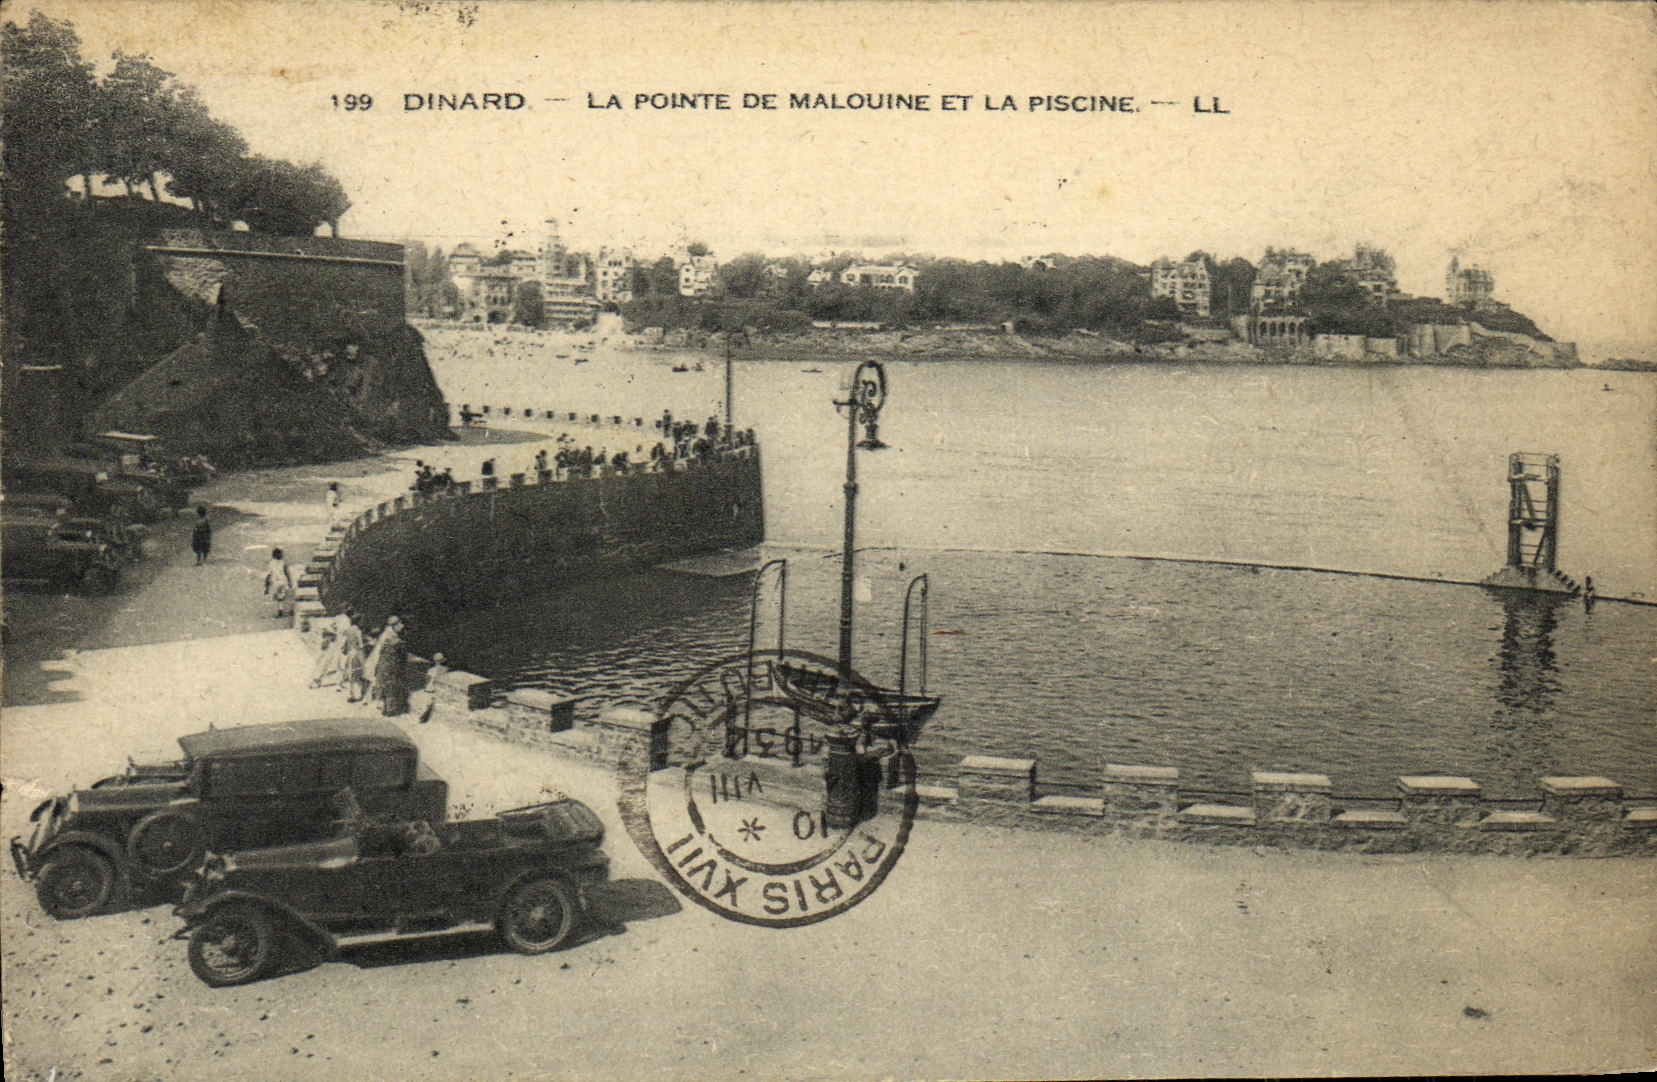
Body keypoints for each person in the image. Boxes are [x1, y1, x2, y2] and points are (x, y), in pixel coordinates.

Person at [369, 615, 410, 716]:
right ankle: (389, 708)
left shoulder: (388, 633)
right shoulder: (392, 637)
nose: (402, 626)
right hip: (387, 663)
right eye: (400, 624)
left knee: (385, 684)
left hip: (383, 662)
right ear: (394, 625)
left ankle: (384, 705)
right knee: (390, 685)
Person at [409, 652, 449, 723]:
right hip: (436, 689)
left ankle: (423, 718)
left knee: (426, 704)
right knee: (431, 704)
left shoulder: (431, 670)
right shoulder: (445, 669)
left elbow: (428, 680)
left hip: (429, 688)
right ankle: (425, 718)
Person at [338, 617, 369, 702]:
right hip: (357, 653)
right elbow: (361, 645)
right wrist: (367, 644)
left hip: (350, 653)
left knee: (352, 673)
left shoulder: (348, 630)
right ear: (358, 622)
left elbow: (345, 643)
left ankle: (353, 694)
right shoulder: (358, 631)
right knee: (359, 673)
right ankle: (358, 695)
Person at [265, 548, 296, 619]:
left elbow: (268, 575)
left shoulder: (271, 563)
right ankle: (289, 610)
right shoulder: (283, 563)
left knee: (278, 598)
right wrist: (290, 582)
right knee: (285, 596)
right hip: (283, 582)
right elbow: (287, 573)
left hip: (275, 583)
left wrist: (267, 587)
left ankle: (280, 611)